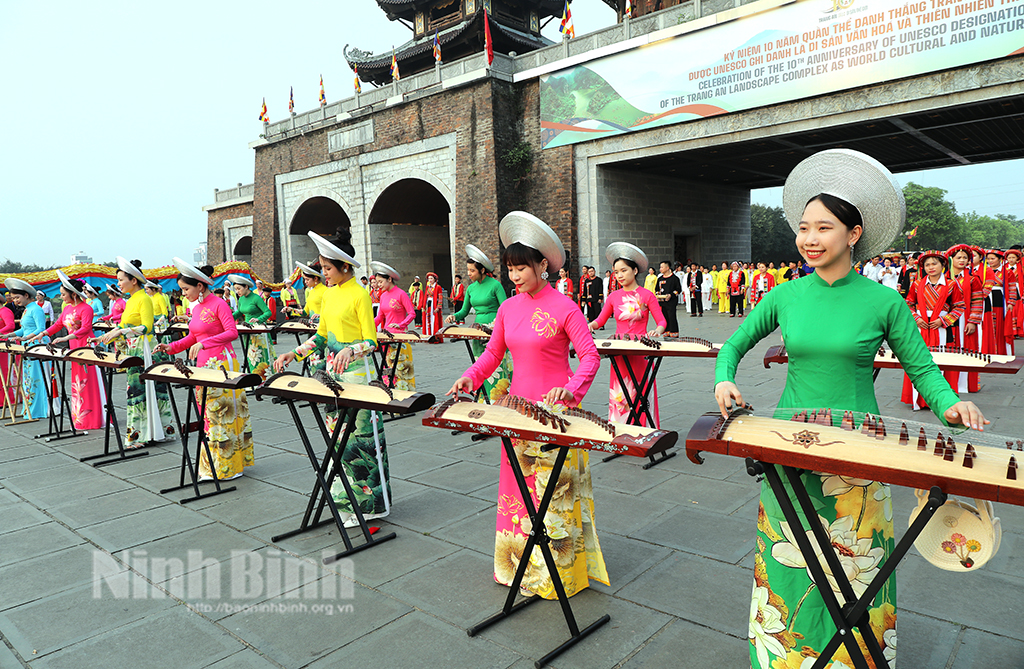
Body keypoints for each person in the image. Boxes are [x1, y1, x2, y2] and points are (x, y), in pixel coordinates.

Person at [714, 149, 987, 669]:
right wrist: (725, 379)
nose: (809, 239)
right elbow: (733, 345)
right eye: (803, 228)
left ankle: (854, 655)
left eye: (823, 228)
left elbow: (923, 369)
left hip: (861, 444)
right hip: (789, 442)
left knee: (856, 558)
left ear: (853, 234)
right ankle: (788, 656)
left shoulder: (884, 302)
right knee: (788, 553)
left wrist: (951, 406)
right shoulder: (786, 294)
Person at [447, 211, 608, 600]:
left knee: (553, 493)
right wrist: (472, 376)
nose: (515, 276)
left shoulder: (565, 306)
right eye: (510, 269)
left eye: (521, 268)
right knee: (518, 490)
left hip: (555, 412)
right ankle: (518, 565)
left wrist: (570, 391)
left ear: (543, 266)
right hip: (516, 409)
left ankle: (558, 574)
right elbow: (492, 354)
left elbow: (589, 357)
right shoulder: (508, 308)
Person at [273, 230, 390, 525]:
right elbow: (322, 336)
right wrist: (294, 353)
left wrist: (352, 350)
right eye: (323, 269)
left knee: (361, 441)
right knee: (338, 441)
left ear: (345, 267)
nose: (323, 274)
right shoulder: (329, 295)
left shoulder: (359, 294)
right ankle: (344, 501)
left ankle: (369, 506)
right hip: (332, 376)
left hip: (357, 375)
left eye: (327, 268)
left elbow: (372, 341)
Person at [156, 259, 252, 480]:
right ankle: (211, 465)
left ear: (200, 285)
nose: (183, 294)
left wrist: (204, 343)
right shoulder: (196, 307)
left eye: (186, 289)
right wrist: (171, 347)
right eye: (181, 290)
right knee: (207, 414)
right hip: (203, 364)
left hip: (222, 363)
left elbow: (232, 332)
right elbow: (193, 337)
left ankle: (228, 466)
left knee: (222, 413)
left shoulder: (219, 303)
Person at [93, 258, 174, 447]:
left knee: (143, 390)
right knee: (136, 390)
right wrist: (103, 338)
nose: (119, 284)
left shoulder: (144, 298)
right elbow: (121, 326)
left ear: (134, 280)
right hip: (134, 347)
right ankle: (143, 433)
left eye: (121, 280)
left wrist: (122, 331)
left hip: (146, 347)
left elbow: (147, 327)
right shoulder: (131, 300)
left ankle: (147, 434)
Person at [587, 243, 666, 425]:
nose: (620, 275)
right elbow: (600, 320)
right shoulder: (614, 297)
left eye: (624, 270)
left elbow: (662, 321)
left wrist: (657, 331)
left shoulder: (646, 295)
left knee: (642, 389)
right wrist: (589, 325)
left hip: (641, 348)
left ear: (635, 270)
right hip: (620, 349)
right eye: (616, 272)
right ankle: (622, 429)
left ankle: (645, 429)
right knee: (620, 390)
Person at [27, 272, 104, 430]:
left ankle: (94, 419)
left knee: (88, 382)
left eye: (63, 294)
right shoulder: (68, 308)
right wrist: (42, 333)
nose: (61, 297)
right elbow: (58, 325)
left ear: (73, 294)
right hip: (74, 347)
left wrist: (65, 338)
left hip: (86, 347)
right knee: (77, 382)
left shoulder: (86, 308)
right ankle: (80, 418)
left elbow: (86, 328)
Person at [446, 244, 512, 400]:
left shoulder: (495, 285)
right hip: (477, 329)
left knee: (498, 365)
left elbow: (505, 308)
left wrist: (497, 325)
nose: (469, 274)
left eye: (472, 270)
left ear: (482, 270)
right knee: (480, 363)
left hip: (495, 327)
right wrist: (454, 316)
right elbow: (464, 311)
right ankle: (483, 398)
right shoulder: (471, 288)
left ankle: (499, 398)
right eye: (468, 270)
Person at [901, 250, 963, 409]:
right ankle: (919, 399)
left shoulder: (951, 284)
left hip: (941, 327)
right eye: (927, 264)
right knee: (919, 360)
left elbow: (959, 306)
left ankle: (941, 399)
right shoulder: (916, 284)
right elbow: (908, 303)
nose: (931, 267)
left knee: (940, 361)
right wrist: (917, 318)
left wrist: (943, 320)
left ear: (943, 265)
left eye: (934, 263)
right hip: (921, 326)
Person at [3, 278, 49, 419]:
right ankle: (30, 409)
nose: (16, 301)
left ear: (26, 295)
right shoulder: (27, 310)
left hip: (37, 345)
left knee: (37, 377)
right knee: (28, 377)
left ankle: (40, 409)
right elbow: (24, 329)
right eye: (14, 298)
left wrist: (26, 338)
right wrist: (9, 334)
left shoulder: (36, 309)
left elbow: (41, 329)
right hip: (28, 345)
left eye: (17, 297)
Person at [372, 262, 417, 390]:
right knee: (388, 371)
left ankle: (405, 401)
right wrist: (368, 325)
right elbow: (380, 317)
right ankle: (391, 398)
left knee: (402, 371)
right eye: (377, 282)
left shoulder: (401, 294)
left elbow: (412, 314)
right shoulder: (383, 296)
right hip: (386, 337)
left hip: (400, 337)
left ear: (389, 279)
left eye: (380, 282)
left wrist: (400, 325)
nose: (378, 285)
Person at [947, 244, 983, 393]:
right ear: (951, 259)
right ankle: (949, 382)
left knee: (965, 349)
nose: (962, 260)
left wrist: (973, 321)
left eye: (965, 258)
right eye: (958, 257)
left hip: (965, 318)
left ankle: (963, 384)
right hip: (947, 319)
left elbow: (977, 301)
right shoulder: (944, 277)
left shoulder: (973, 279)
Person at [229, 274, 275, 380]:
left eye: (239, 289)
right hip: (247, 330)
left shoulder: (256, 298)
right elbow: (239, 312)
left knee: (260, 356)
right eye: (235, 289)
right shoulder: (241, 299)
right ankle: (252, 379)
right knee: (250, 355)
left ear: (246, 287)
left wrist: (259, 319)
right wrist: (228, 318)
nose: (237, 292)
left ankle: (265, 379)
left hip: (259, 331)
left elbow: (268, 312)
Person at [655, 261, 681, 336]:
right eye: (660, 267)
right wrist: (658, 295)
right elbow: (656, 289)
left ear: (667, 268)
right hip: (662, 301)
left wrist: (671, 295)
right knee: (664, 316)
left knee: (671, 316)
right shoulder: (660, 279)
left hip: (671, 301)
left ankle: (674, 331)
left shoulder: (674, 278)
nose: (660, 269)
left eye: (662, 267)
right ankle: (666, 331)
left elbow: (678, 290)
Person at [0, 292, 15, 410]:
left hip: (4, 344)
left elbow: (10, 326)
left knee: (5, 372)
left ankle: (7, 399)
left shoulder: (5, 311)